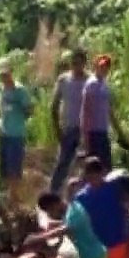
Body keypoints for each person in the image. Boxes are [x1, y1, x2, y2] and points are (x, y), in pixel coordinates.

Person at [74, 158, 129, 258]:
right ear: (86, 176)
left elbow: (126, 211)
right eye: (91, 175)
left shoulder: (114, 189)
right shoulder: (82, 197)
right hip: (97, 248)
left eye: (97, 175)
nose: (94, 179)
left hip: (117, 242)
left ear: (103, 173)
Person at [79, 55, 129, 172]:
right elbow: (85, 110)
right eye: (101, 66)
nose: (104, 69)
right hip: (93, 133)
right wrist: (85, 136)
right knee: (96, 169)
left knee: (105, 167)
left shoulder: (104, 84)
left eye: (106, 66)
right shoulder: (91, 84)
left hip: (102, 132)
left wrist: (119, 132)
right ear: (96, 66)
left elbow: (109, 110)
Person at [49, 49, 90, 194]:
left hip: (86, 129)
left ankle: (82, 195)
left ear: (84, 63)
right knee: (62, 163)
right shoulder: (63, 80)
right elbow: (54, 106)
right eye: (73, 63)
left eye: (79, 63)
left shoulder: (90, 81)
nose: (76, 65)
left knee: (87, 164)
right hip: (68, 128)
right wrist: (57, 130)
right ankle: (52, 196)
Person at [0, 59, 34, 201]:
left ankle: (14, 195)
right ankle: (10, 194)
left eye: (6, 73)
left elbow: (29, 109)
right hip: (3, 132)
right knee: (5, 166)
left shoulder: (20, 90)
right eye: (1, 74)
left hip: (16, 133)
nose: (3, 76)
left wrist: (19, 110)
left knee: (14, 165)